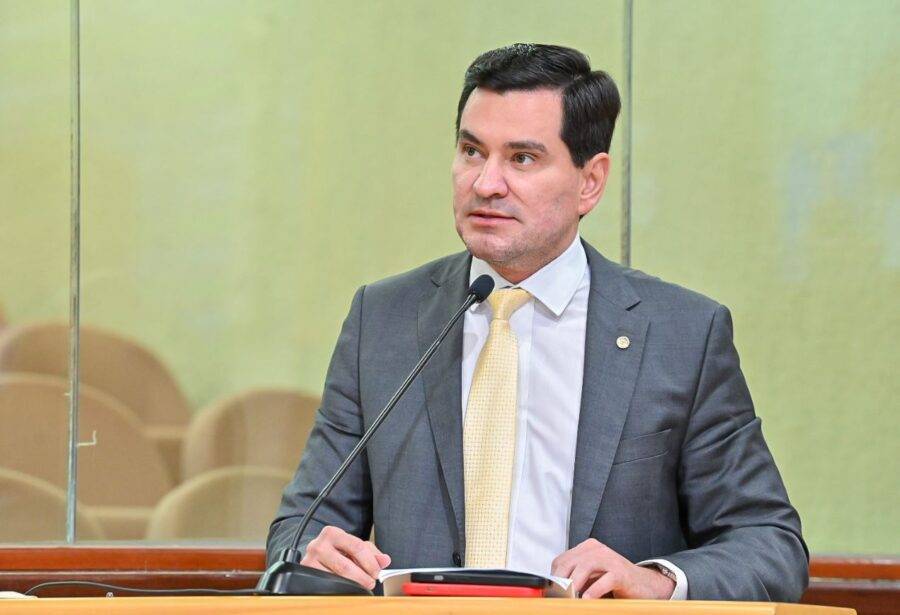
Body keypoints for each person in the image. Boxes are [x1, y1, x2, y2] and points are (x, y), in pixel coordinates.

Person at [267, 43, 808, 601]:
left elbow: (768, 545)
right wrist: (314, 550)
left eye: (522, 158)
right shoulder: (384, 321)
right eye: (472, 151)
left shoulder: (680, 334)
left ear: (590, 182)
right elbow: (298, 529)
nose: (485, 183)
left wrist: (653, 581)